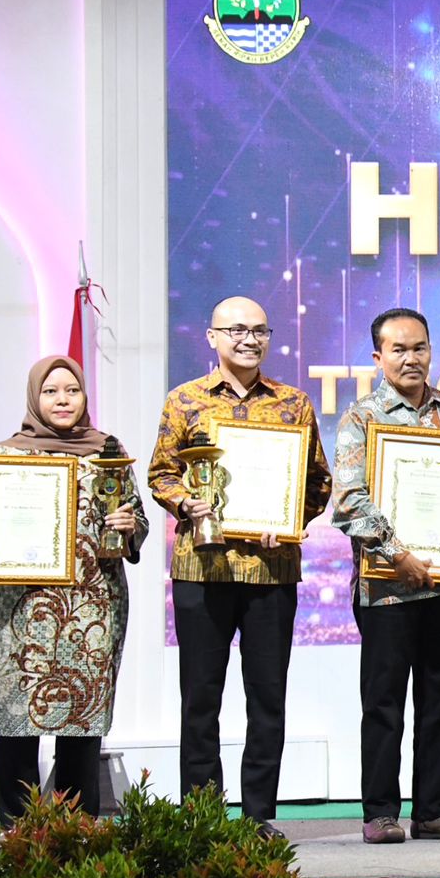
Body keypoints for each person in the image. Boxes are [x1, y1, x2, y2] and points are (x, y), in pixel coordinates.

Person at [148, 296, 331, 840]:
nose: (248, 340)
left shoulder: (293, 404)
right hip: (201, 568)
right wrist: (186, 504)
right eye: (235, 330)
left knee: (267, 696)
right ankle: (202, 818)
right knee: (200, 697)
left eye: (259, 331)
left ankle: (257, 817)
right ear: (212, 337)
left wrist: (289, 515)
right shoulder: (185, 401)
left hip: (270, 571)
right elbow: (161, 474)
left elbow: (316, 482)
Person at [331, 308, 440, 844]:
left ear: (431, 349)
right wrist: (398, 552)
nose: (412, 358)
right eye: (399, 349)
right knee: (383, 701)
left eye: (420, 347)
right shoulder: (361, 418)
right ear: (378, 357)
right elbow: (348, 503)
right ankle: (380, 813)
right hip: (387, 587)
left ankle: (434, 808)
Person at [0, 356, 147, 827]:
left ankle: (76, 838)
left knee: (80, 725)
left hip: (91, 611)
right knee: (16, 723)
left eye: (72, 391)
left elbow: (136, 520)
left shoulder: (109, 452)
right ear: (34, 398)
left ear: (84, 396)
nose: (62, 400)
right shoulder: (7, 456)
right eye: (51, 392)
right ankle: (16, 835)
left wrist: (128, 525)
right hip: (19, 614)